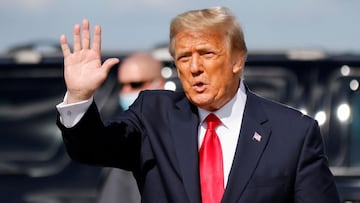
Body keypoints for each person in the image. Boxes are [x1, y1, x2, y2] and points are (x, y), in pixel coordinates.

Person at [56, 6, 341, 203]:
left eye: (206, 53)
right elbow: (92, 147)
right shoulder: (154, 116)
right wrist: (79, 97)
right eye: (183, 57)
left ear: (237, 59)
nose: (194, 67)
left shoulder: (292, 134)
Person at [97, 52, 165, 203]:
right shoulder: (122, 129)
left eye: (135, 84)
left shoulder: (169, 134)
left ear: (159, 83)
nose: (126, 91)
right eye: (122, 85)